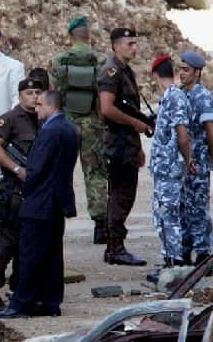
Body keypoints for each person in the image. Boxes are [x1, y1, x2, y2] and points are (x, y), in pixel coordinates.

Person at [0, 90, 78, 319]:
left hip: (40, 201)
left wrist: (26, 186)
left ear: (51, 106)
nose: (36, 108)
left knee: (30, 255)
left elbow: (36, 169)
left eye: (40, 104)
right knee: (52, 254)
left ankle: (22, 303)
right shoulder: (69, 128)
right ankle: (50, 302)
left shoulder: (49, 131)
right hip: (57, 201)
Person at [0, 78, 43, 311]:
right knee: (7, 243)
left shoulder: (41, 119)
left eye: (38, 92)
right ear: (20, 95)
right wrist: (17, 169)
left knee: (26, 245)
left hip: (35, 191)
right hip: (14, 191)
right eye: (29, 92)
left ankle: (19, 289)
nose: (35, 96)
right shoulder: (10, 119)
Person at [50, 16, 109, 244]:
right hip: (92, 124)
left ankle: (58, 215)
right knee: (95, 173)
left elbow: (53, 94)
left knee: (59, 172)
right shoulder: (102, 61)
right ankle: (101, 226)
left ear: (70, 37)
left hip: (66, 124)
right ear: (89, 36)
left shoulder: (58, 61)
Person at [98, 28, 153, 266]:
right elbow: (107, 108)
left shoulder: (125, 71)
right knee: (121, 195)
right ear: (116, 46)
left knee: (125, 194)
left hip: (127, 141)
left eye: (134, 43)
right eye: (129, 43)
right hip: (118, 142)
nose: (134, 47)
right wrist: (136, 125)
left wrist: (138, 143)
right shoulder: (111, 72)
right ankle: (115, 247)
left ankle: (115, 246)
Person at [148, 55, 193, 272]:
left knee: (167, 216)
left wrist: (188, 159)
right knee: (166, 214)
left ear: (156, 75)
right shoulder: (171, 96)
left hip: (169, 168)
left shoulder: (174, 97)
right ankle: (171, 259)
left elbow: (182, 134)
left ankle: (173, 263)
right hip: (165, 167)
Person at [179, 51, 213, 264]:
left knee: (198, 207)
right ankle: (184, 251)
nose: (181, 73)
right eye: (180, 69)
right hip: (181, 163)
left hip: (198, 161)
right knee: (183, 206)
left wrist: (212, 158)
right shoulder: (180, 94)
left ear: (197, 72)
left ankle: (204, 254)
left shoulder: (202, 97)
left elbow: (211, 133)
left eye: (186, 70)